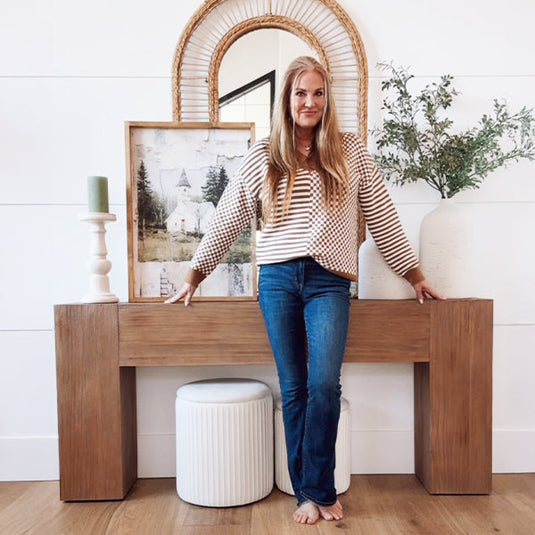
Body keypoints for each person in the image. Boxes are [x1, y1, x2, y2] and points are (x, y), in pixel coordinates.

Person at [165, 56, 444, 525]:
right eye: (300, 93)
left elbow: (381, 216)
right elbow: (228, 217)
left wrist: (413, 272)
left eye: (317, 93)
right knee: (294, 388)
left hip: (328, 281)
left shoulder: (350, 151)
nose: (309, 102)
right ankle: (308, 495)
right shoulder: (263, 155)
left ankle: (318, 486)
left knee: (323, 385)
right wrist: (195, 274)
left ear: (327, 98)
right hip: (276, 280)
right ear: (287, 100)